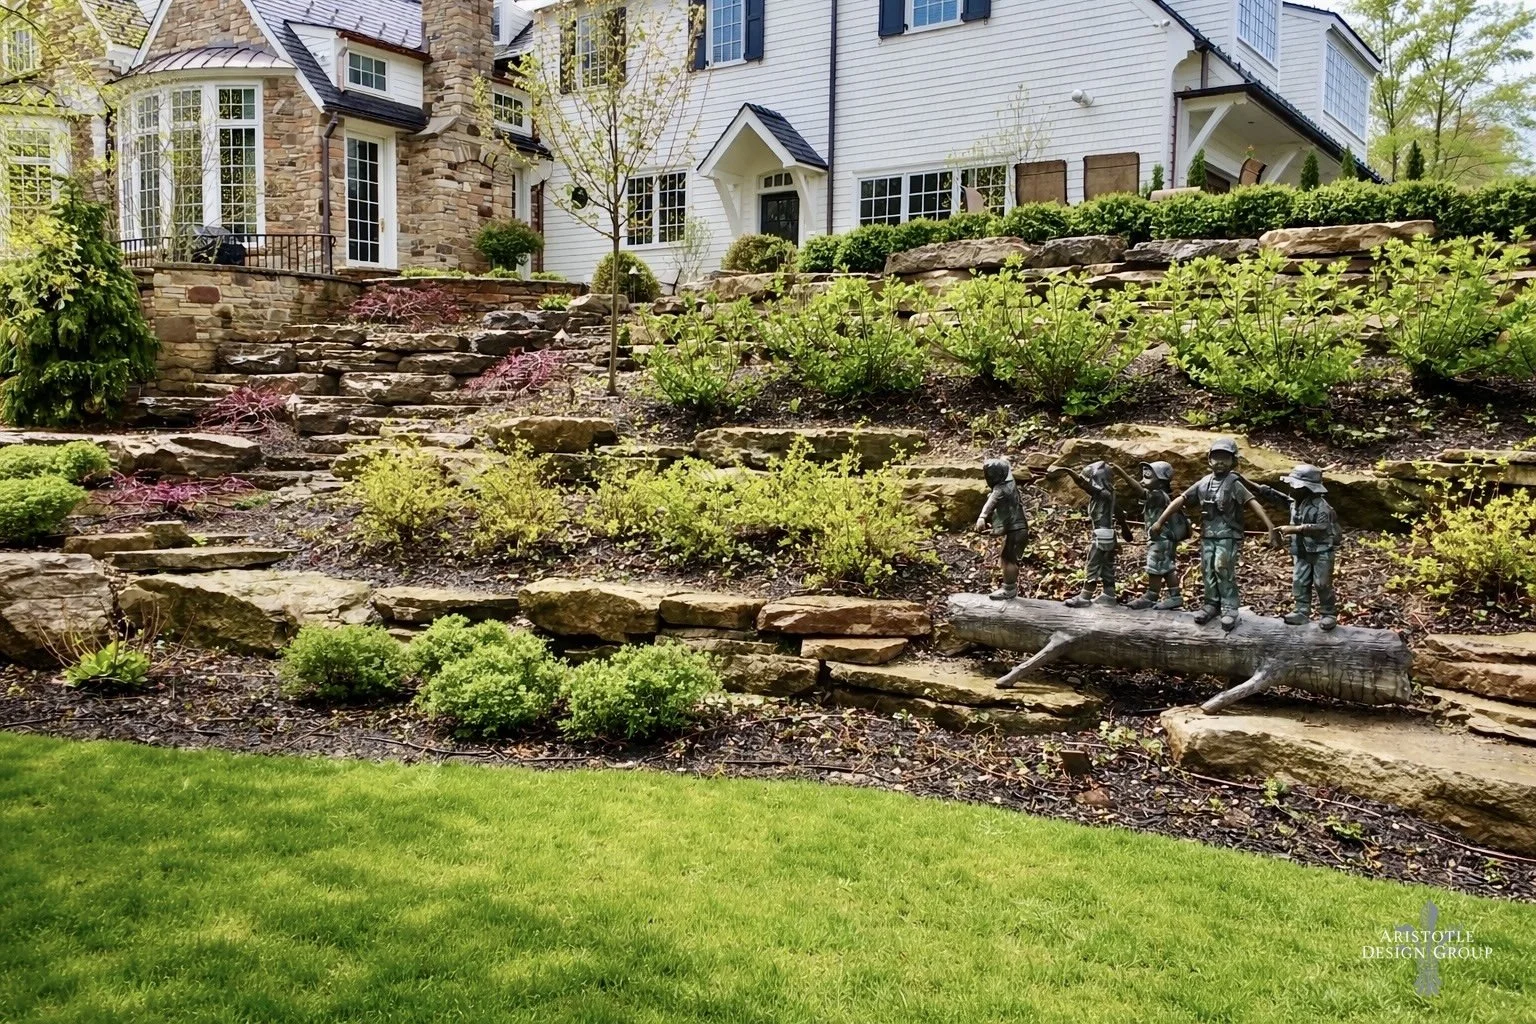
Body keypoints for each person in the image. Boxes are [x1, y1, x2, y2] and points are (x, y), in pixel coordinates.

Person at [1148, 438, 1281, 631]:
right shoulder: (1204, 483)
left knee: (1223, 567)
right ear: (1209, 460)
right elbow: (1181, 499)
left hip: (1228, 535)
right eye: (1216, 458)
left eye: (1225, 459)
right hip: (1208, 534)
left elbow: (1253, 503)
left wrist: (1270, 527)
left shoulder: (1234, 483)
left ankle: (1229, 607)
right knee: (1208, 568)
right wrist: (1161, 520)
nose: (1220, 463)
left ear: (1233, 461)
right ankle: (1211, 604)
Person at [1247, 464, 1342, 630]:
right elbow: (1279, 498)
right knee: (1300, 581)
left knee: (1322, 583)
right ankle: (1301, 610)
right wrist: (1252, 485)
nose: (1291, 487)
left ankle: (1328, 613)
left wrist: (1294, 529)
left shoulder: (1322, 508)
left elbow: (1321, 528)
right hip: (1301, 550)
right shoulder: (1295, 502)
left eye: (1296, 486)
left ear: (1308, 489)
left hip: (1321, 551)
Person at [1048, 461, 1134, 608]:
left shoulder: (1101, 493)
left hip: (1100, 535)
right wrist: (1125, 529)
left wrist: (1067, 470)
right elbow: (1119, 513)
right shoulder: (1110, 494)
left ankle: (1085, 596)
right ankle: (1109, 594)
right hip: (1109, 534)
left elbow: (1083, 484)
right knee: (1107, 566)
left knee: (1093, 565)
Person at [1111, 461, 1187, 610]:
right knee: (1164, 567)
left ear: (1161, 480)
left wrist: (1122, 474)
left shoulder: (1158, 495)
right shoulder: (1157, 494)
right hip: (1161, 539)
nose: (1142, 481)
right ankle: (1170, 596)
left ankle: (1154, 595)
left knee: (1157, 567)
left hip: (1162, 540)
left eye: (1147, 477)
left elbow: (1137, 489)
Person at [974, 457, 1031, 601]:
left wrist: (982, 517)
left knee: (1008, 558)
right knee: (1007, 557)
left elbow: (991, 503)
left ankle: (1009, 589)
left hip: (1017, 531)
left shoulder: (1001, 489)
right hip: (1018, 530)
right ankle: (1009, 587)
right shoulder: (1011, 485)